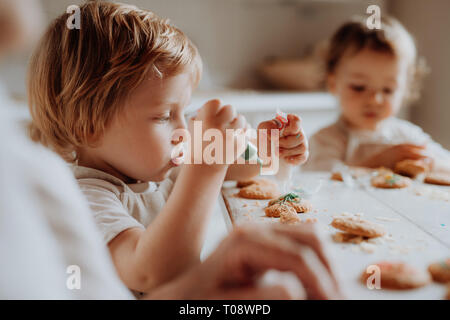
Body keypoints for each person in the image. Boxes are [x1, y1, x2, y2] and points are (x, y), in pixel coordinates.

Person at [27, 1, 309, 295]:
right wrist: (206, 166)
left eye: (183, 112)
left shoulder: (149, 170)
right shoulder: (86, 199)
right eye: (164, 116)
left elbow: (242, 167)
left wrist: (273, 150)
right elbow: (154, 275)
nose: (183, 131)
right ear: (88, 126)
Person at [303, 16, 450, 173]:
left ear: (405, 89)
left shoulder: (407, 135)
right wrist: (378, 163)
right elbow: (322, 180)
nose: (375, 100)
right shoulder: (326, 140)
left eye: (388, 90)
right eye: (359, 87)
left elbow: (446, 163)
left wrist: (430, 163)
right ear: (333, 84)